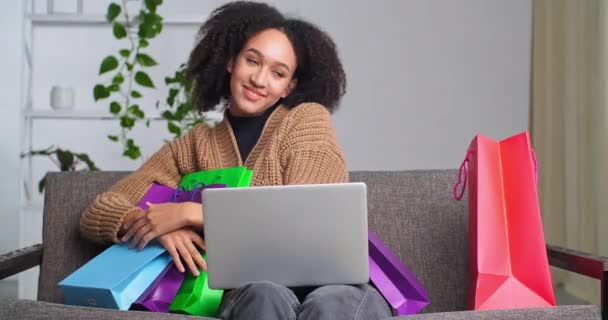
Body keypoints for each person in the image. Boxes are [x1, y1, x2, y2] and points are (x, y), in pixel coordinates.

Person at [80, 1, 391, 319]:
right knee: (262, 293)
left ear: (289, 87)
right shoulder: (192, 146)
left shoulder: (306, 119)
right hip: (253, 292)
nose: (259, 79)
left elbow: (306, 225)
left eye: (278, 72)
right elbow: (101, 209)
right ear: (231, 62)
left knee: (330, 304)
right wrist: (155, 227)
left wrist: (189, 213)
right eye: (252, 60)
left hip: (333, 288)